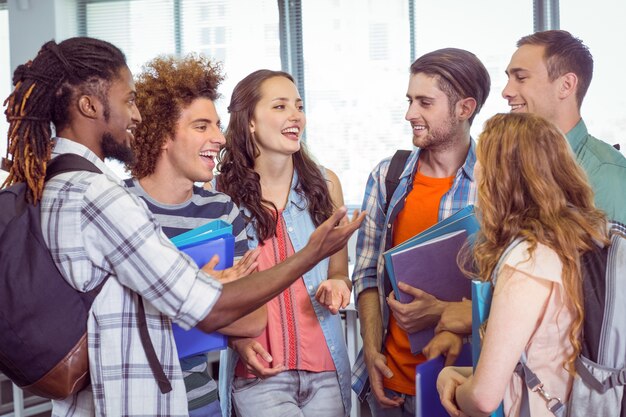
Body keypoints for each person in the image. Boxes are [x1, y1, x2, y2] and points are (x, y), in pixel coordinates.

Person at [3, 37, 363, 416]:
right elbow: (204, 306)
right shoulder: (101, 196)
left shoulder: (50, 185)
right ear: (89, 105)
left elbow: (116, 302)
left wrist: (193, 290)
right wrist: (310, 255)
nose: (136, 116)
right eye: (128, 101)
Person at [436, 112, 608, 417]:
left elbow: (484, 399)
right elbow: (540, 360)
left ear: (502, 178)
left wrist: (449, 382)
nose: (475, 172)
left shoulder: (528, 260)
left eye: (482, 161)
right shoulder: (577, 240)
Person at [124, 54, 266, 417]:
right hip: (137, 403)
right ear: (162, 135)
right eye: (202, 126)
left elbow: (253, 319)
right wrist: (208, 296)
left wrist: (166, 303)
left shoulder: (222, 211)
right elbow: (114, 324)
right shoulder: (119, 209)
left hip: (202, 403)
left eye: (217, 126)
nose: (219, 138)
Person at [351, 48, 490, 416]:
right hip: (389, 385)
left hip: (463, 388)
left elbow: (508, 292)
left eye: (425, 102)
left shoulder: (495, 182)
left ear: (465, 108)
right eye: (410, 100)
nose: (410, 113)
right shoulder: (388, 176)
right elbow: (366, 272)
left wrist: (442, 311)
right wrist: (370, 351)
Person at [216, 69, 353, 417]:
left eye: (298, 106)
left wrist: (337, 285)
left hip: (325, 370)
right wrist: (238, 339)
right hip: (259, 375)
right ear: (248, 121)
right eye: (280, 106)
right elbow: (213, 294)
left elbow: (340, 271)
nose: (295, 115)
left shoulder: (326, 184)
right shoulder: (218, 196)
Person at [503, 29, 626, 224]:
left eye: (521, 78)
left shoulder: (609, 178)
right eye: (508, 78)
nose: (506, 91)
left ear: (566, 85)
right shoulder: (509, 166)